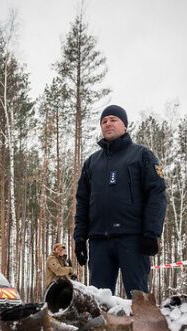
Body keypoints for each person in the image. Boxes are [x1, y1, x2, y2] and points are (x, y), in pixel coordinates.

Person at [73, 105, 167, 298]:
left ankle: (141, 329)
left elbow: (157, 194)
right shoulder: (92, 162)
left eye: (113, 119)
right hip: (99, 241)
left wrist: (152, 233)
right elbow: (82, 201)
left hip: (132, 239)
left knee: (138, 298)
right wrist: (80, 238)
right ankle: (104, 330)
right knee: (98, 301)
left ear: (124, 124)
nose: (108, 124)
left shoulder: (141, 155)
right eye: (104, 121)